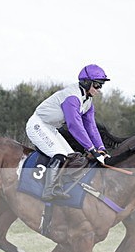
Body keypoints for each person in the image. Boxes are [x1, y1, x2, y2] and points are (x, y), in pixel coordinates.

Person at [25, 64, 111, 201]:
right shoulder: (72, 97)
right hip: (38, 124)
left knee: (71, 157)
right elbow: (74, 126)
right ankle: (48, 191)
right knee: (59, 155)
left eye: (101, 86)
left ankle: (58, 188)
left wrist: (101, 149)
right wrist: (91, 149)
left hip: (51, 128)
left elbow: (91, 127)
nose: (99, 89)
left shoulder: (88, 101)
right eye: (97, 85)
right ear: (86, 82)